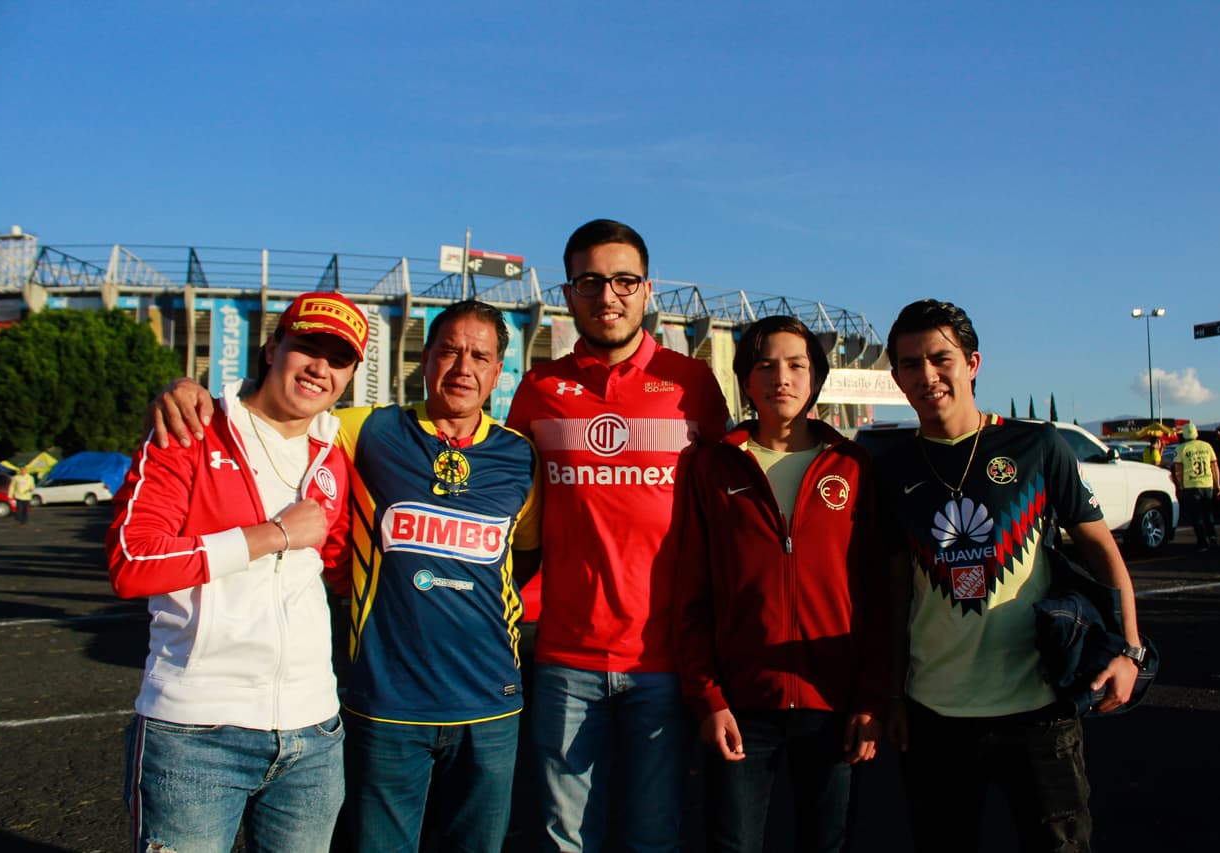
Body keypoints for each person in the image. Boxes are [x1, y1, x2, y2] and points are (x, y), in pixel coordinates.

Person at [149, 299, 542, 852]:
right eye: (449, 351)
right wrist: (187, 392)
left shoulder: (521, 457)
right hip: (385, 703)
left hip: (491, 701)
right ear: (424, 358)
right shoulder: (366, 430)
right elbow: (274, 410)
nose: (463, 368)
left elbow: (522, 557)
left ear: (499, 371)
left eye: (480, 356)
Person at [878, 299, 1142, 853]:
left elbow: (1101, 549)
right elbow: (897, 592)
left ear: (973, 363)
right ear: (896, 376)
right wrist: (894, 696)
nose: (926, 375)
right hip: (935, 715)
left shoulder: (1036, 446)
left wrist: (1129, 650)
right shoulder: (893, 468)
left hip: (1039, 709)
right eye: (909, 364)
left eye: (940, 358)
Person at [108, 291, 368, 852]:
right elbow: (132, 562)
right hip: (195, 730)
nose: (320, 367)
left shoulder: (334, 452)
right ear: (272, 347)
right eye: (307, 347)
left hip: (314, 731)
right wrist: (269, 537)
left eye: (339, 358)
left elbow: (341, 570)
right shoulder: (191, 430)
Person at [506, 219, 730, 851]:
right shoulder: (540, 390)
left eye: (624, 280)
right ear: (569, 293)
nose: (608, 295)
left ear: (648, 289)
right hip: (563, 658)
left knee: (653, 837)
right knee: (562, 839)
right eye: (590, 281)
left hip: (665, 662)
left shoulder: (692, 384)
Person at [673, 315, 887, 853]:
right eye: (765, 365)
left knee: (827, 843)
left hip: (833, 703)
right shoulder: (714, 467)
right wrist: (708, 698)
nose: (781, 377)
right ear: (746, 380)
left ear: (816, 377)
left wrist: (870, 699)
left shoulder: (852, 465)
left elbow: (878, 596)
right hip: (741, 704)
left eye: (796, 364)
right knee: (733, 844)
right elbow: (693, 592)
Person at [1173, 421, 1220, 550]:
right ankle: (1213, 537)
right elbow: (1214, 466)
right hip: (1207, 484)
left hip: (1191, 485)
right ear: (1196, 433)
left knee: (1197, 515)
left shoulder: (1181, 448)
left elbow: (1178, 470)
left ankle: (1202, 541)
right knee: (1208, 513)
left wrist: (1180, 485)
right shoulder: (1207, 446)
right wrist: (1217, 484)